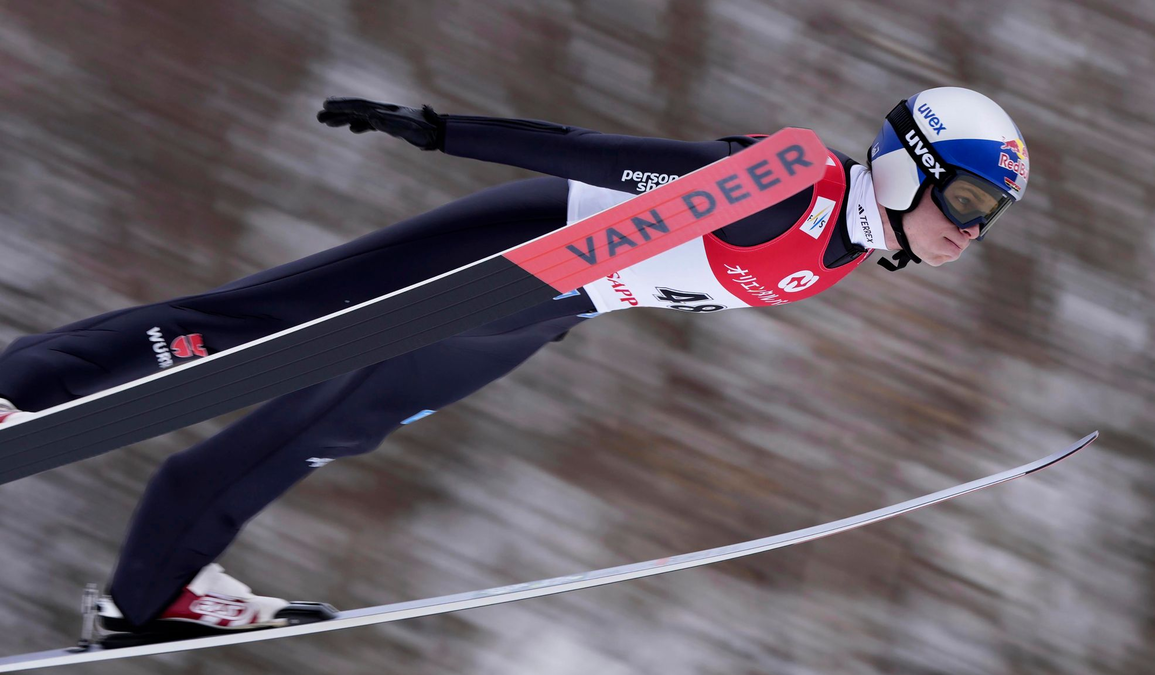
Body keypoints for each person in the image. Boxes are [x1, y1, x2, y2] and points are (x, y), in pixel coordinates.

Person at [0, 86, 1030, 637]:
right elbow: (616, 159)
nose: (971, 230)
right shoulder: (796, 182)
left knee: (337, 423)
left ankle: (154, 588)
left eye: (991, 216)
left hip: (551, 308)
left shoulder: (850, 246)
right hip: (525, 248)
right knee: (263, 323)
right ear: (909, 166)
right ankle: (21, 389)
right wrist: (442, 133)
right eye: (969, 201)